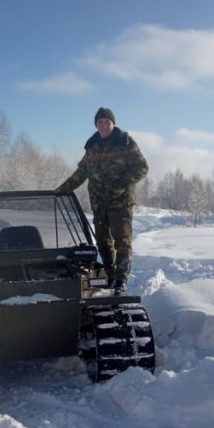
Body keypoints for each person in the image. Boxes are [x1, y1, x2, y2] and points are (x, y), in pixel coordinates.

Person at [55, 107, 148, 295]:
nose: (104, 125)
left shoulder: (125, 142)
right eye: (100, 122)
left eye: (107, 121)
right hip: (99, 204)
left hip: (120, 203)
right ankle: (110, 275)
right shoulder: (92, 146)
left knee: (122, 242)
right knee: (103, 242)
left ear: (113, 123)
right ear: (96, 125)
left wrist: (121, 184)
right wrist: (60, 190)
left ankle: (121, 280)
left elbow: (142, 167)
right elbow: (81, 173)